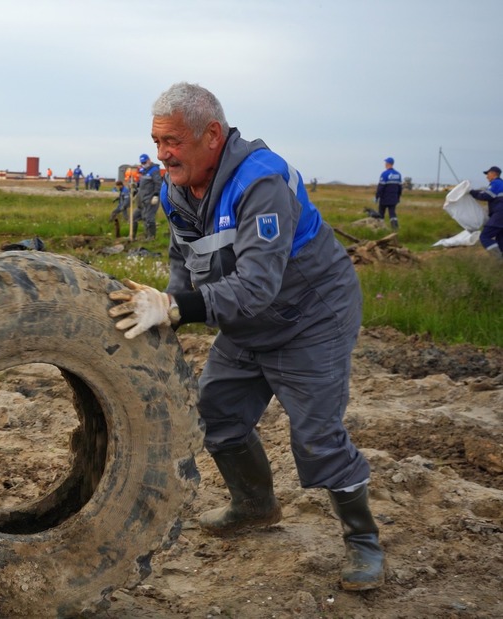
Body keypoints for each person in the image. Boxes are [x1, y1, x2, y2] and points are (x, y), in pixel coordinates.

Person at [107, 82, 383, 592]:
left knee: (316, 436)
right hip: (246, 321)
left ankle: (363, 542)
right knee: (216, 411)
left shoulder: (261, 181)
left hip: (309, 319)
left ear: (211, 134)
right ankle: (255, 506)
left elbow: (257, 284)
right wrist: (171, 305)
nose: (162, 154)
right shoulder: (177, 187)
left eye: (172, 142)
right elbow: (183, 259)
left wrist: (174, 309)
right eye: (156, 141)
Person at [469, 165, 503, 261]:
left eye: (488, 174)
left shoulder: (496, 183)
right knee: (501, 240)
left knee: (485, 236)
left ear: (493, 174)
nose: (486, 176)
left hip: (500, 214)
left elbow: (486, 196)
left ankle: (499, 260)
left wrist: (472, 192)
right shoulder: (501, 184)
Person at [135, 153, 164, 240]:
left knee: (149, 218)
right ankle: (139, 236)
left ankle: (151, 237)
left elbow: (158, 183)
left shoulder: (154, 170)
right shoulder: (144, 171)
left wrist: (156, 195)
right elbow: (142, 184)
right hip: (143, 199)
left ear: (149, 160)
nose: (144, 164)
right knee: (138, 217)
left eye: (145, 162)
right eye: (142, 163)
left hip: (151, 199)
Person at [375, 157, 402, 230]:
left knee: (381, 214)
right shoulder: (398, 175)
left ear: (388, 164)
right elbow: (400, 188)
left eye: (385, 163)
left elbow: (381, 187)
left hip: (384, 198)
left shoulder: (384, 174)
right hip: (394, 198)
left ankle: (380, 228)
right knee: (392, 214)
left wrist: (377, 197)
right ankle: (395, 228)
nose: (385, 164)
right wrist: (398, 197)